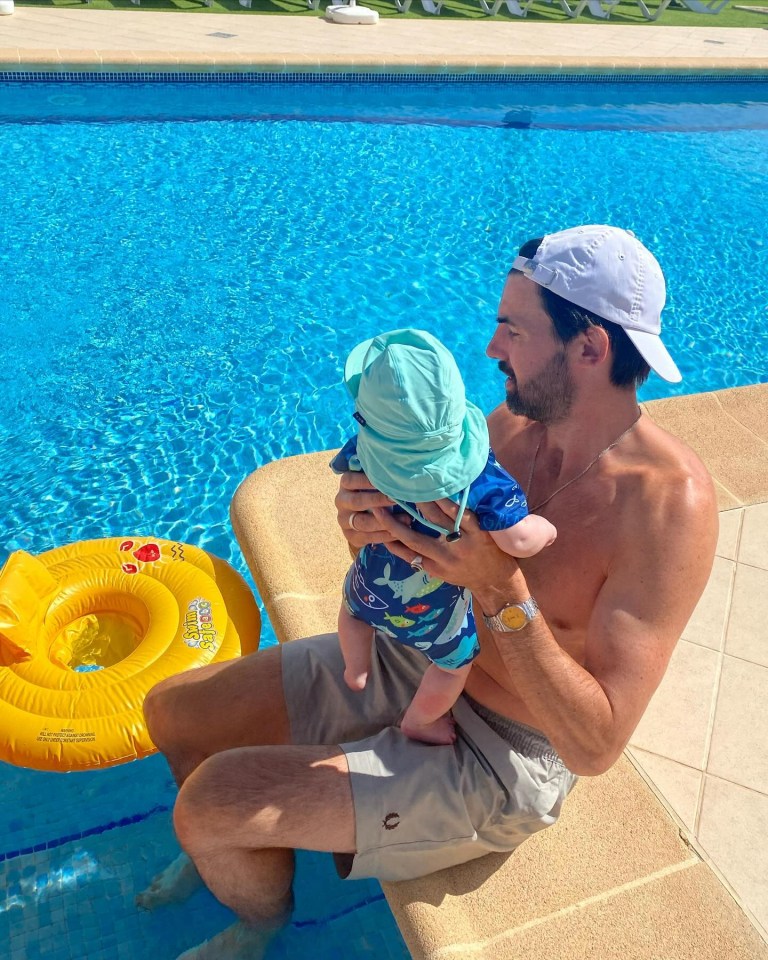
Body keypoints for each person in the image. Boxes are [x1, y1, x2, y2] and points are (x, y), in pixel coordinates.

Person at [139, 224, 718, 960]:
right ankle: (230, 845)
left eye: (512, 329)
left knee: (218, 798)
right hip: (414, 657)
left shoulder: (667, 510)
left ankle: (260, 924)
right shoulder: (508, 426)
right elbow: (416, 548)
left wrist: (502, 591)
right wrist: (366, 528)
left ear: (590, 347)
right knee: (175, 711)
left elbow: (596, 744)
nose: (490, 350)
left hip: (503, 754)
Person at [332, 328, 556, 745]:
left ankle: (356, 670)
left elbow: (344, 472)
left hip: (367, 589)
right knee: (453, 667)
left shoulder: (363, 450)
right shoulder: (478, 479)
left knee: (351, 615)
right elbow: (518, 541)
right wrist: (547, 529)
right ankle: (420, 721)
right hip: (433, 618)